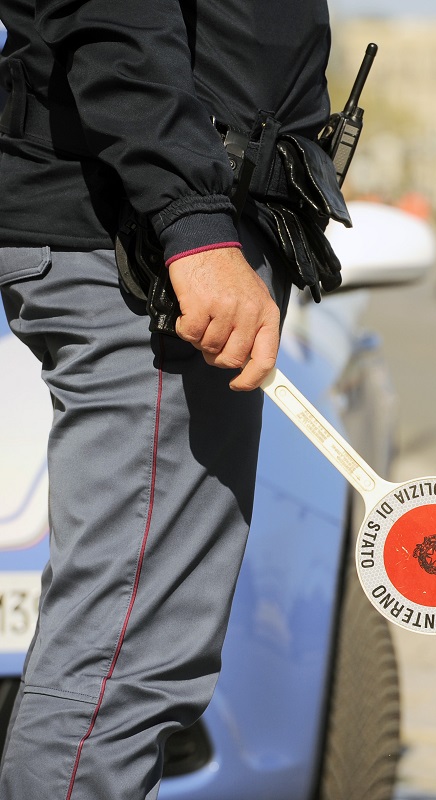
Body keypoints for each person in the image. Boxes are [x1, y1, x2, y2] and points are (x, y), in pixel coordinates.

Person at [0, 1, 338, 797]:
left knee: (128, 651)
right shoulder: (175, 222)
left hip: (156, 220)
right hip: (136, 242)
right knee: (123, 663)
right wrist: (189, 217)